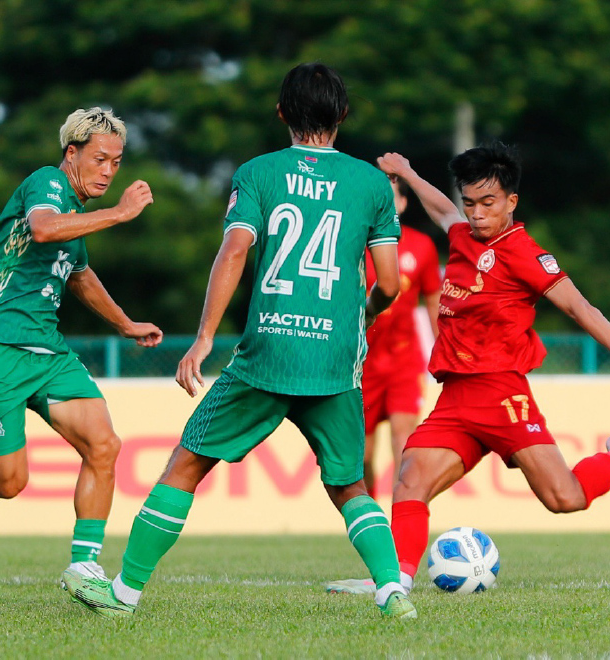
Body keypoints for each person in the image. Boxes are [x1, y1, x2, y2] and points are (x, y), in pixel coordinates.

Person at [64, 63, 417, 620]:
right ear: (343, 115)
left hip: (266, 356)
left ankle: (124, 594)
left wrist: (203, 339)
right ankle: (393, 591)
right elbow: (392, 284)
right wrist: (364, 315)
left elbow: (234, 252)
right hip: (334, 360)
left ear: (281, 114)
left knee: (185, 464)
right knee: (350, 485)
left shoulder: (258, 173)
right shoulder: (372, 184)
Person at [327, 143, 610, 596]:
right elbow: (441, 209)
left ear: (511, 202)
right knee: (410, 479)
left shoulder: (526, 254)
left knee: (565, 498)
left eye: (488, 204)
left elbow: (578, 306)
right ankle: (395, 582)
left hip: (502, 395)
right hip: (455, 398)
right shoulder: (461, 234)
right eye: (470, 203)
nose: (476, 214)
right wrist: (410, 174)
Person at [0, 107, 163, 590]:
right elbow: (43, 228)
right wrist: (121, 213)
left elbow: (80, 276)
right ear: (71, 153)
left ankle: (84, 567)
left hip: (47, 351)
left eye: (117, 161)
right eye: (100, 158)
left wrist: (125, 322)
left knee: (104, 444)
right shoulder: (47, 183)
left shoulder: (76, 218)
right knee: (9, 483)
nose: (109, 170)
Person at [361, 180, 441, 498]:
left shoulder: (422, 247)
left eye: (390, 198)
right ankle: (368, 520)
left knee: (404, 439)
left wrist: (443, 350)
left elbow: (434, 299)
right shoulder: (352, 245)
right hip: (361, 363)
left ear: (403, 204)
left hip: (404, 360)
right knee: (361, 456)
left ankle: (400, 522)